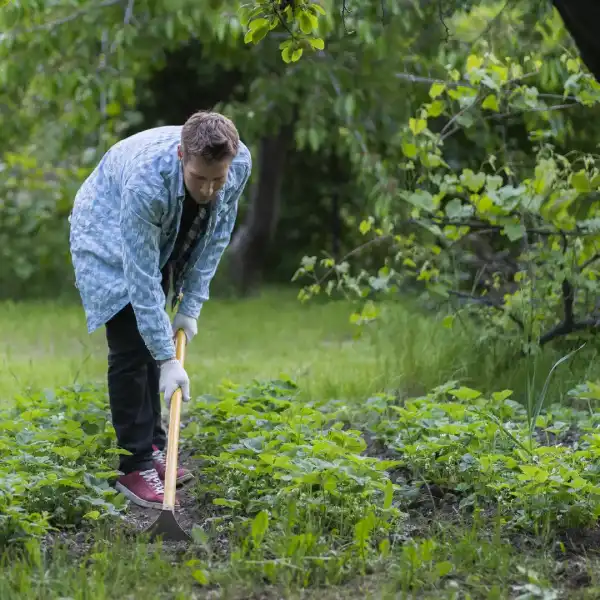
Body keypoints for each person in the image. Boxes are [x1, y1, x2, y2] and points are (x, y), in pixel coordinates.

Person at [69, 110, 252, 508]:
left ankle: (153, 448)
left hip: (163, 225)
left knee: (150, 329)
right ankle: (133, 465)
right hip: (105, 225)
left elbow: (216, 233)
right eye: (199, 178)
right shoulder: (147, 184)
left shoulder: (239, 164)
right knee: (131, 341)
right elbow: (140, 281)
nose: (207, 189)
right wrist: (168, 359)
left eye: (217, 180)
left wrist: (191, 304)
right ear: (181, 155)